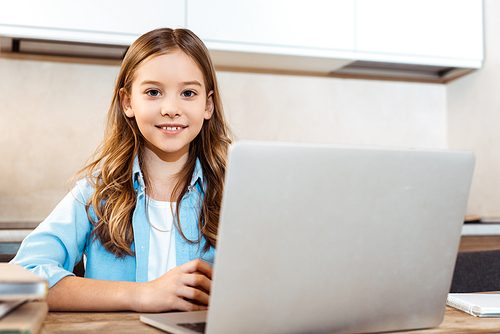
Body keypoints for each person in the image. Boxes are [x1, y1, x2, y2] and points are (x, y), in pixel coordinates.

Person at [11, 27, 233, 312]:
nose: (171, 108)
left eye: (188, 93)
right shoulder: (95, 195)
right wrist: (141, 294)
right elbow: (22, 277)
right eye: (153, 92)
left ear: (208, 105)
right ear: (128, 102)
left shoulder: (233, 196)